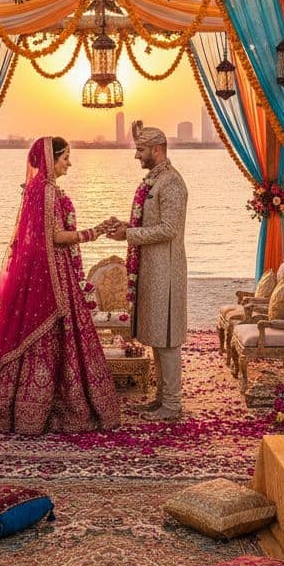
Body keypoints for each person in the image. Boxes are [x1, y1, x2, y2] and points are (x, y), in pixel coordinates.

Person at [0, 137, 121, 435]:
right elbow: (56, 237)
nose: (69, 163)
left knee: (33, 334)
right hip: (50, 275)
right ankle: (50, 408)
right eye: (65, 158)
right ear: (51, 158)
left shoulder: (36, 189)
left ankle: (19, 407)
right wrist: (95, 232)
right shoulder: (46, 190)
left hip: (42, 272)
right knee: (52, 333)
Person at [108, 121, 189, 422]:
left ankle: (173, 404)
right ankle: (161, 399)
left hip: (165, 272)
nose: (136, 155)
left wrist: (128, 235)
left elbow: (169, 229)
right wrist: (128, 227)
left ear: (157, 149)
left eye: (140, 150)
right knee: (157, 335)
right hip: (152, 269)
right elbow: (150, 224)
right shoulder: (155, 180)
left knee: (167, 337)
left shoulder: (171, 183)